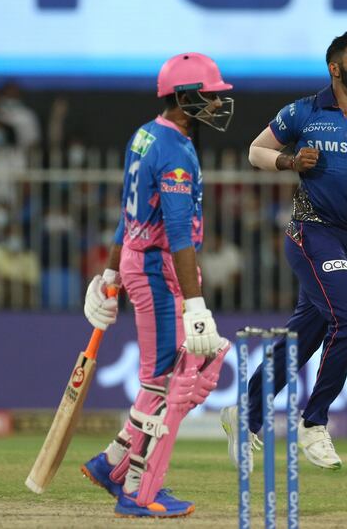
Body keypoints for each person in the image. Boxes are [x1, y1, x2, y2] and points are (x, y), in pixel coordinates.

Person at [220, 30, 347, 470]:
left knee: (307, 333)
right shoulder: (304, 111)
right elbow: (255, 151)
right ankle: (314, 422)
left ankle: (244, 412)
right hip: (311, 232)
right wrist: (289, 162)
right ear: (335, 67)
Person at [79, 52, 234, 517]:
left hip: (138, 259)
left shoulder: (146, 134)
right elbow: (179, 233)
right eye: (210, 95)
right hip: (157, 268)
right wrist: (196, 305)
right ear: (185, 97)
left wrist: (111, 272)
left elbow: (129, 215)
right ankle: (139, 491)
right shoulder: (175, 150)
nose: (218, 103)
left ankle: (112, 463)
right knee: (166, 380)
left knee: (179, 373)